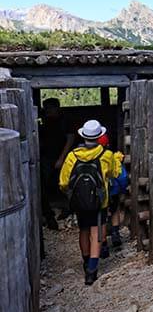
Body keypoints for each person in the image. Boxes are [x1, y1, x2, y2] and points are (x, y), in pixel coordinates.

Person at [59, 120, 121, 285]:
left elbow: (63, 182)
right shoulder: (106, 155)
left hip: (79, 203)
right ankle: (92, 271)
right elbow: (115, 173)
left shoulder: (72, 156)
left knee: (84, 230)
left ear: (83, 136)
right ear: (100, 136)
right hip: (100, 202)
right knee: (97, 233)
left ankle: (86, 262)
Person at [38, 98, 75, 228]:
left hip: (62, 156)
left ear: (57, 108)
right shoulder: (44, 120)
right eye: (46, 109)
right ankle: (48, 213)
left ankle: (69, 209)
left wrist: (61, 158)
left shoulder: (65, 120)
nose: (47, 111)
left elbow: (70, 139)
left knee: (65, 183)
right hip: (46, 157)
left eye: (50, 108)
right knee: (45, 184)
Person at [97, 133, 127, 252]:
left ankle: (103, 244)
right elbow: (122, 176)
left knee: (102, 217)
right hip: (113, 190)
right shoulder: (113, 157)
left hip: (100, 192)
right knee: (115, 211)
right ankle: (115, 234)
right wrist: (123, 190)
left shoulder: (93, 159)